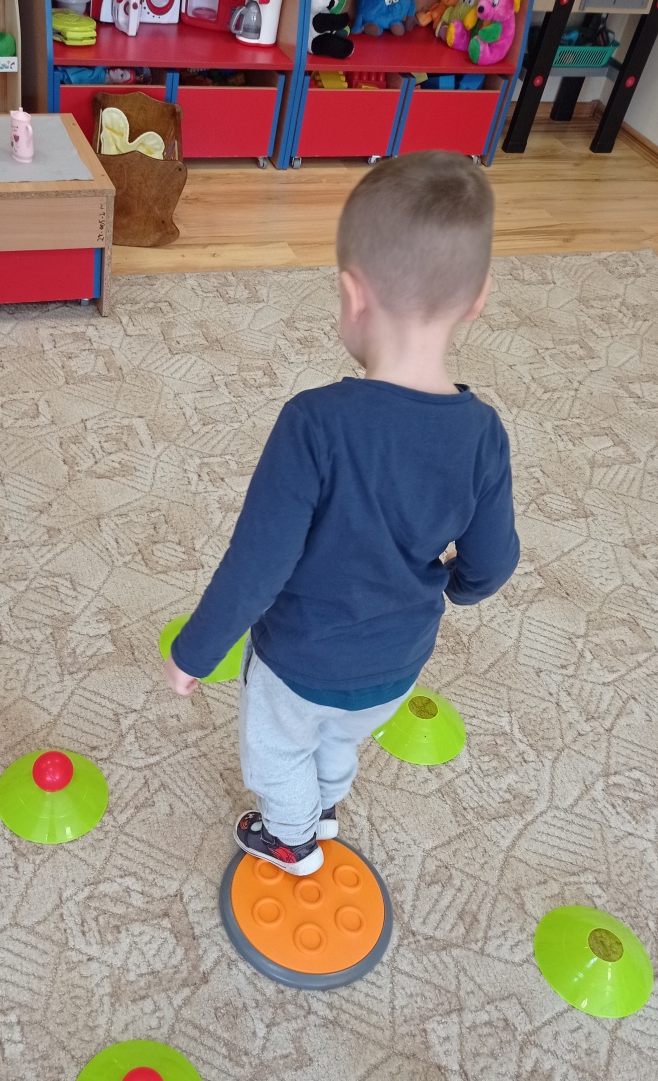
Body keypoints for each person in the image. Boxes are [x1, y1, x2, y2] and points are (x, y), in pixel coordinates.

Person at [164, 152, 520, 875]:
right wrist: (459, 589)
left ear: (353, 296)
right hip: (399, 662)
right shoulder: (484, 433)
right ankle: (325, 807)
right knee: (339, 738)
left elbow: (256, 565)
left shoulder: (315, 424)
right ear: (478, 299)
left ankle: (292, 837)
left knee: (278, 749)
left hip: (300, 660)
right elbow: (494, 559)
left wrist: (194, 652)